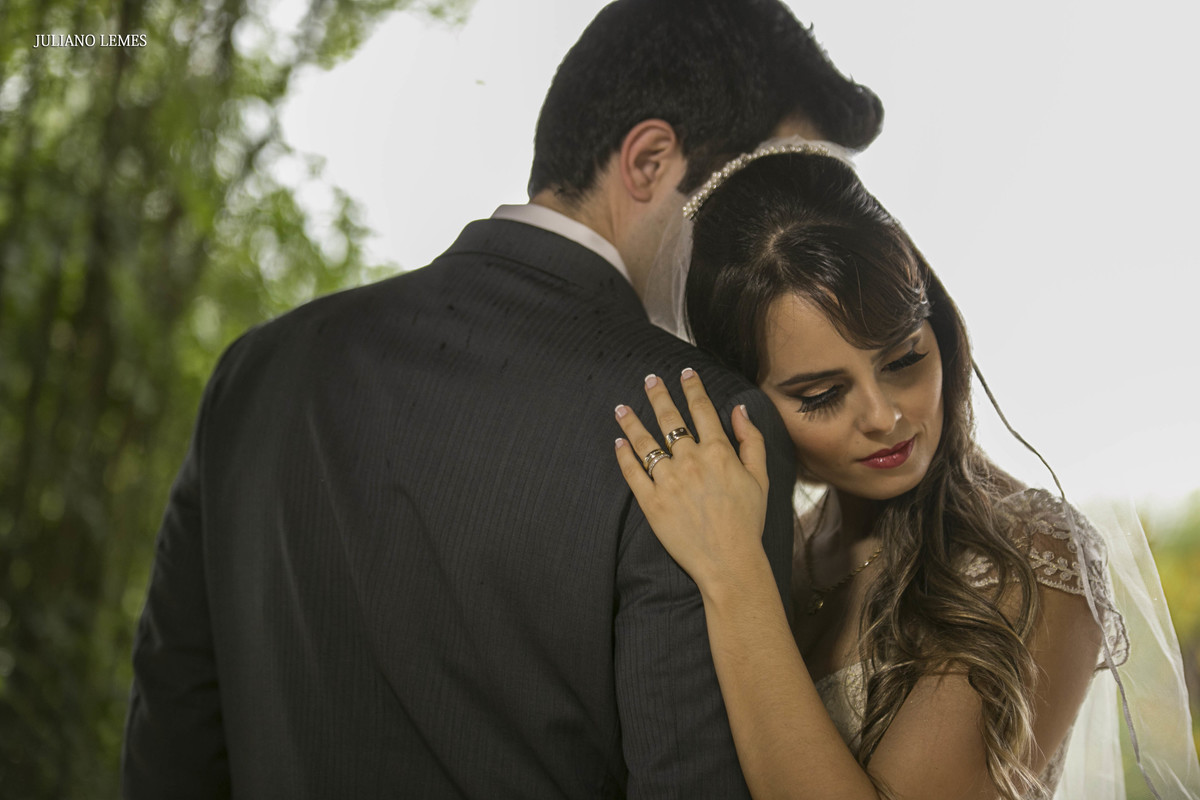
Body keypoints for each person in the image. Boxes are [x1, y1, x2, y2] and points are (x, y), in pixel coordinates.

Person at [121, 2, 884, 797]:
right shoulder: (703, 431)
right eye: (763, 200)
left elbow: (167, 759)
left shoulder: (258, 370)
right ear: (651, 161)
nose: (785, 251)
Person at [614, 142, 1200, 798]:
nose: (885, 416)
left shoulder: (1031, 555)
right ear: (744, 399)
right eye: (822, 395)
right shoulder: (783, 545)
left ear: (940, 332)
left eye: (903, 361)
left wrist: (736, 583)